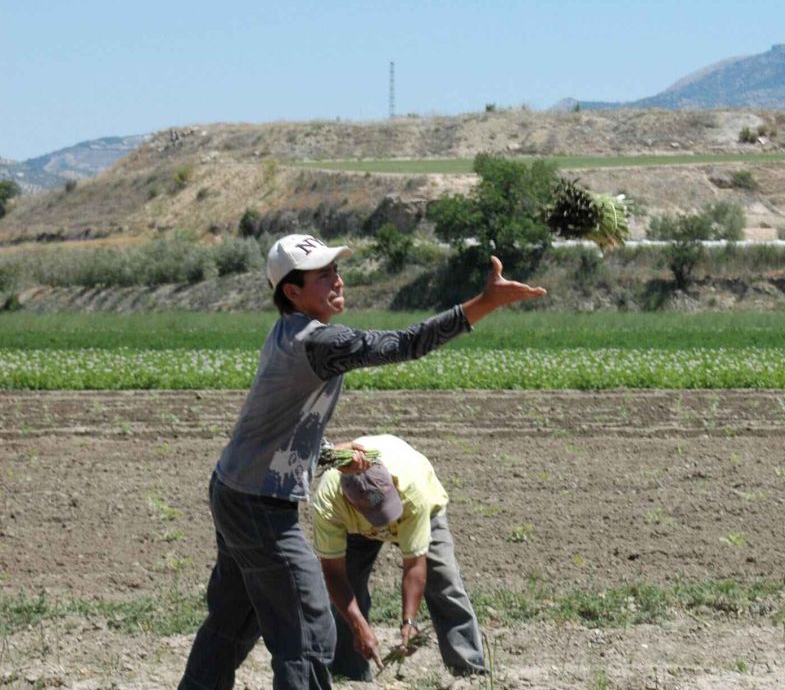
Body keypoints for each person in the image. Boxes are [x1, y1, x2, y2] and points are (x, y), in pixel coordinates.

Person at [179, 234, 546, 690]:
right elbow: (404, 343)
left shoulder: (288, 335)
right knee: (309, 627)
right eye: (324, 275)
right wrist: (485, 303)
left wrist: (333, 457)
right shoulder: (319, 341)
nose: (338, 280)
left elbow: (279, 431)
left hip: (234, 489)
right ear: (292, 293)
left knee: (233, 618)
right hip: (259, 505)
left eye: (336, 269)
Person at [311, 433, 484, 679]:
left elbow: (414, 564)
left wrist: (409, 622)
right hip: (355, 528)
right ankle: (349, 673)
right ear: (350, 503)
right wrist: (358, 624)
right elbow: (333, 573)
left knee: (445, 581)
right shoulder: (329, 502)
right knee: (346, 591)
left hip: (413, 510)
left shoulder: (412, 490)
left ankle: (469, 671)